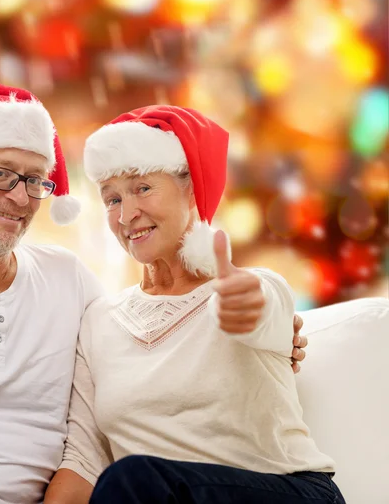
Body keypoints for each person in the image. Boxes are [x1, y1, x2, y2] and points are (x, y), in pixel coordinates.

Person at [0, 86, 307, 504]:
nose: (21, 197)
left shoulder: (69, 283)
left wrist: (272, 323)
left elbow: (244, 311)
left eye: (33, 180)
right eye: (0, 173)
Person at [45, 105, 345, 504]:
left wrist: (243, 304)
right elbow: (83, 460)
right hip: (150, 494)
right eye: (112, 199)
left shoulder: (253, 287)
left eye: (143, 188)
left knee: (135, 478)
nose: (127, 214)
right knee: (131, 481)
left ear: (191, 188)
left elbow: (261, 310)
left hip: (286, 492)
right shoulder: (99, 322)